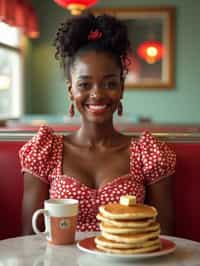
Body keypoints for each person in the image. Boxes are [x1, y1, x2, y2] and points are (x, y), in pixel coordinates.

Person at [19, 13, 176, 235]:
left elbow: (165, 236)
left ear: (122, 88)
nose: (97, 94)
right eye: (84, 84)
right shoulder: (46, 151)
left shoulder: (147, 153)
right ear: (71, 90)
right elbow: (29, 236)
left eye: (109, 83)